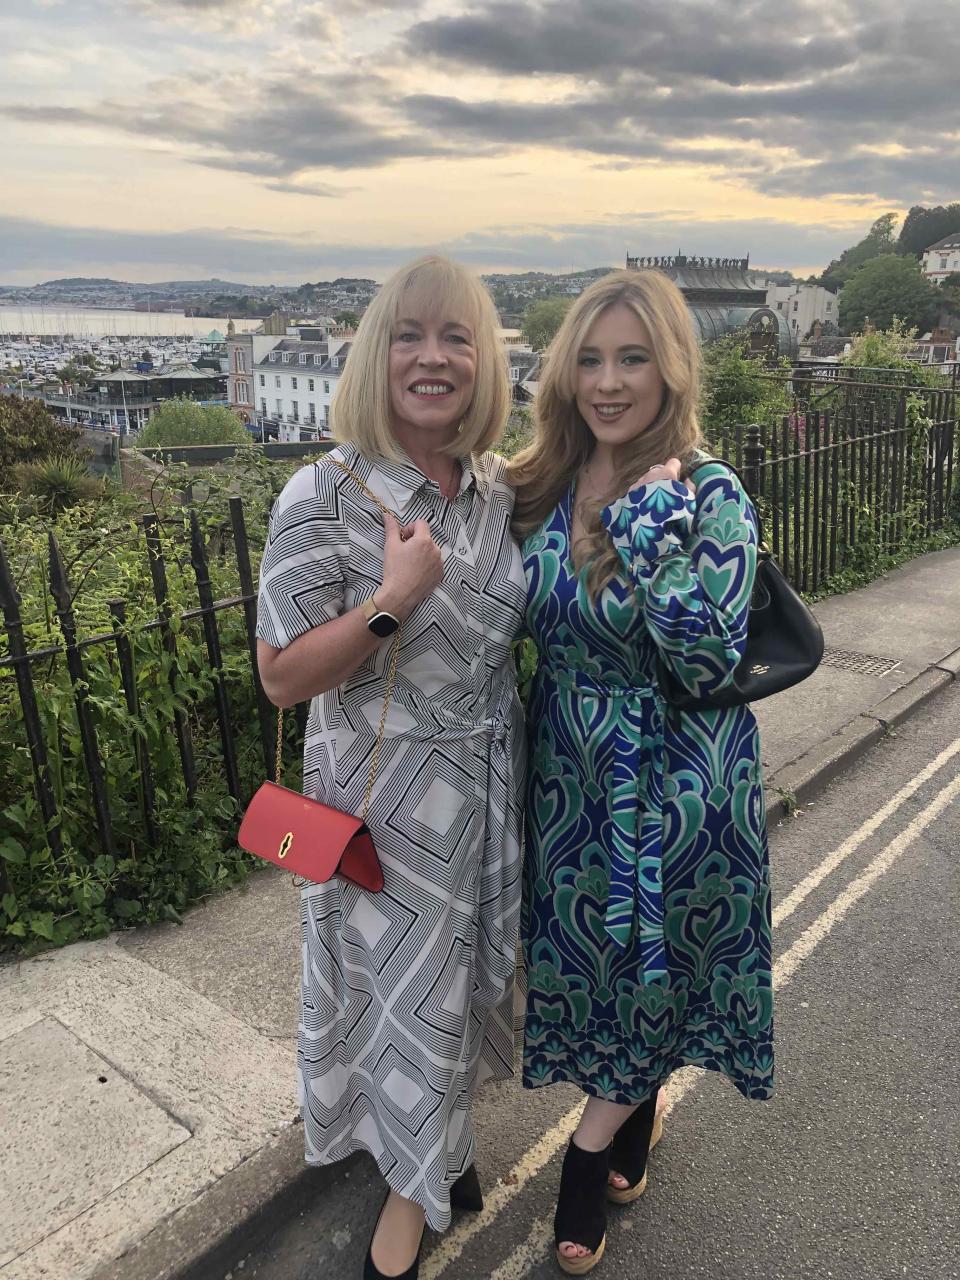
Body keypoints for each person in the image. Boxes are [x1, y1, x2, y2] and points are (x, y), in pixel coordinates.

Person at [256, 255, 527, 1280]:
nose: (434, 356)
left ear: (483, 359)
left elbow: (604, 483)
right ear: (377, 351)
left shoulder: (499, 489)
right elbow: (281, 677)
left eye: (457, 336)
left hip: (486, 796)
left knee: (464, 996)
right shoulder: (321, 493)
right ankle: (408, 1205)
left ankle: (442, 1153)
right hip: (386, 819)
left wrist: (675, 475)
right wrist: (391, 600)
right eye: (410, 334)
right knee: (407, 1014)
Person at [508, 269, 772, 1275]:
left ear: (671, 367)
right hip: (570, 773)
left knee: (652, 966)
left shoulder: (708, 493)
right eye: (589, 358)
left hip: (676, 777)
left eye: (632, 358)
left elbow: (708, 657)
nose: (609, 382)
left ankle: (586, 1154)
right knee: (598, 968)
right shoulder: (540, 480)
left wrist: (651, 533)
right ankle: (637, 1107)